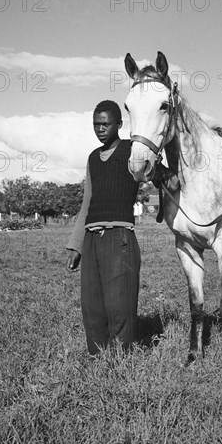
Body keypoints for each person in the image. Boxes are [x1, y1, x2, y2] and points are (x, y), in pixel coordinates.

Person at [66, 100, 141, 355]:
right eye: (96, 124)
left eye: (106, 124)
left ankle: (121, 360)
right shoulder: (92, 158)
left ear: (119, 125)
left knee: (119, 305)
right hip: (91, 239)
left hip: (119, 237)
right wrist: (76, 246)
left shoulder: (132, 150)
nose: (100, 129)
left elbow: (151, 167)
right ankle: (97, 359)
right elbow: (86, 202)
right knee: (92, 306)